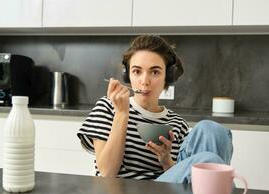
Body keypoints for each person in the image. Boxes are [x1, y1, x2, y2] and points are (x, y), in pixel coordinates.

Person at [77, 35, 233, 183]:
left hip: (164, 192)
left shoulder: (177, 123)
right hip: (121, 193)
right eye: (137, 71)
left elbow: (182, 178)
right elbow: (106, 173)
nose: (145, 81)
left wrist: (166, 161)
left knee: (211, 130)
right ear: (127, 75)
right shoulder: (108, 107)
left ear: (168, 76)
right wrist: (122, 114)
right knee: (208, 162)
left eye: (155, 72)